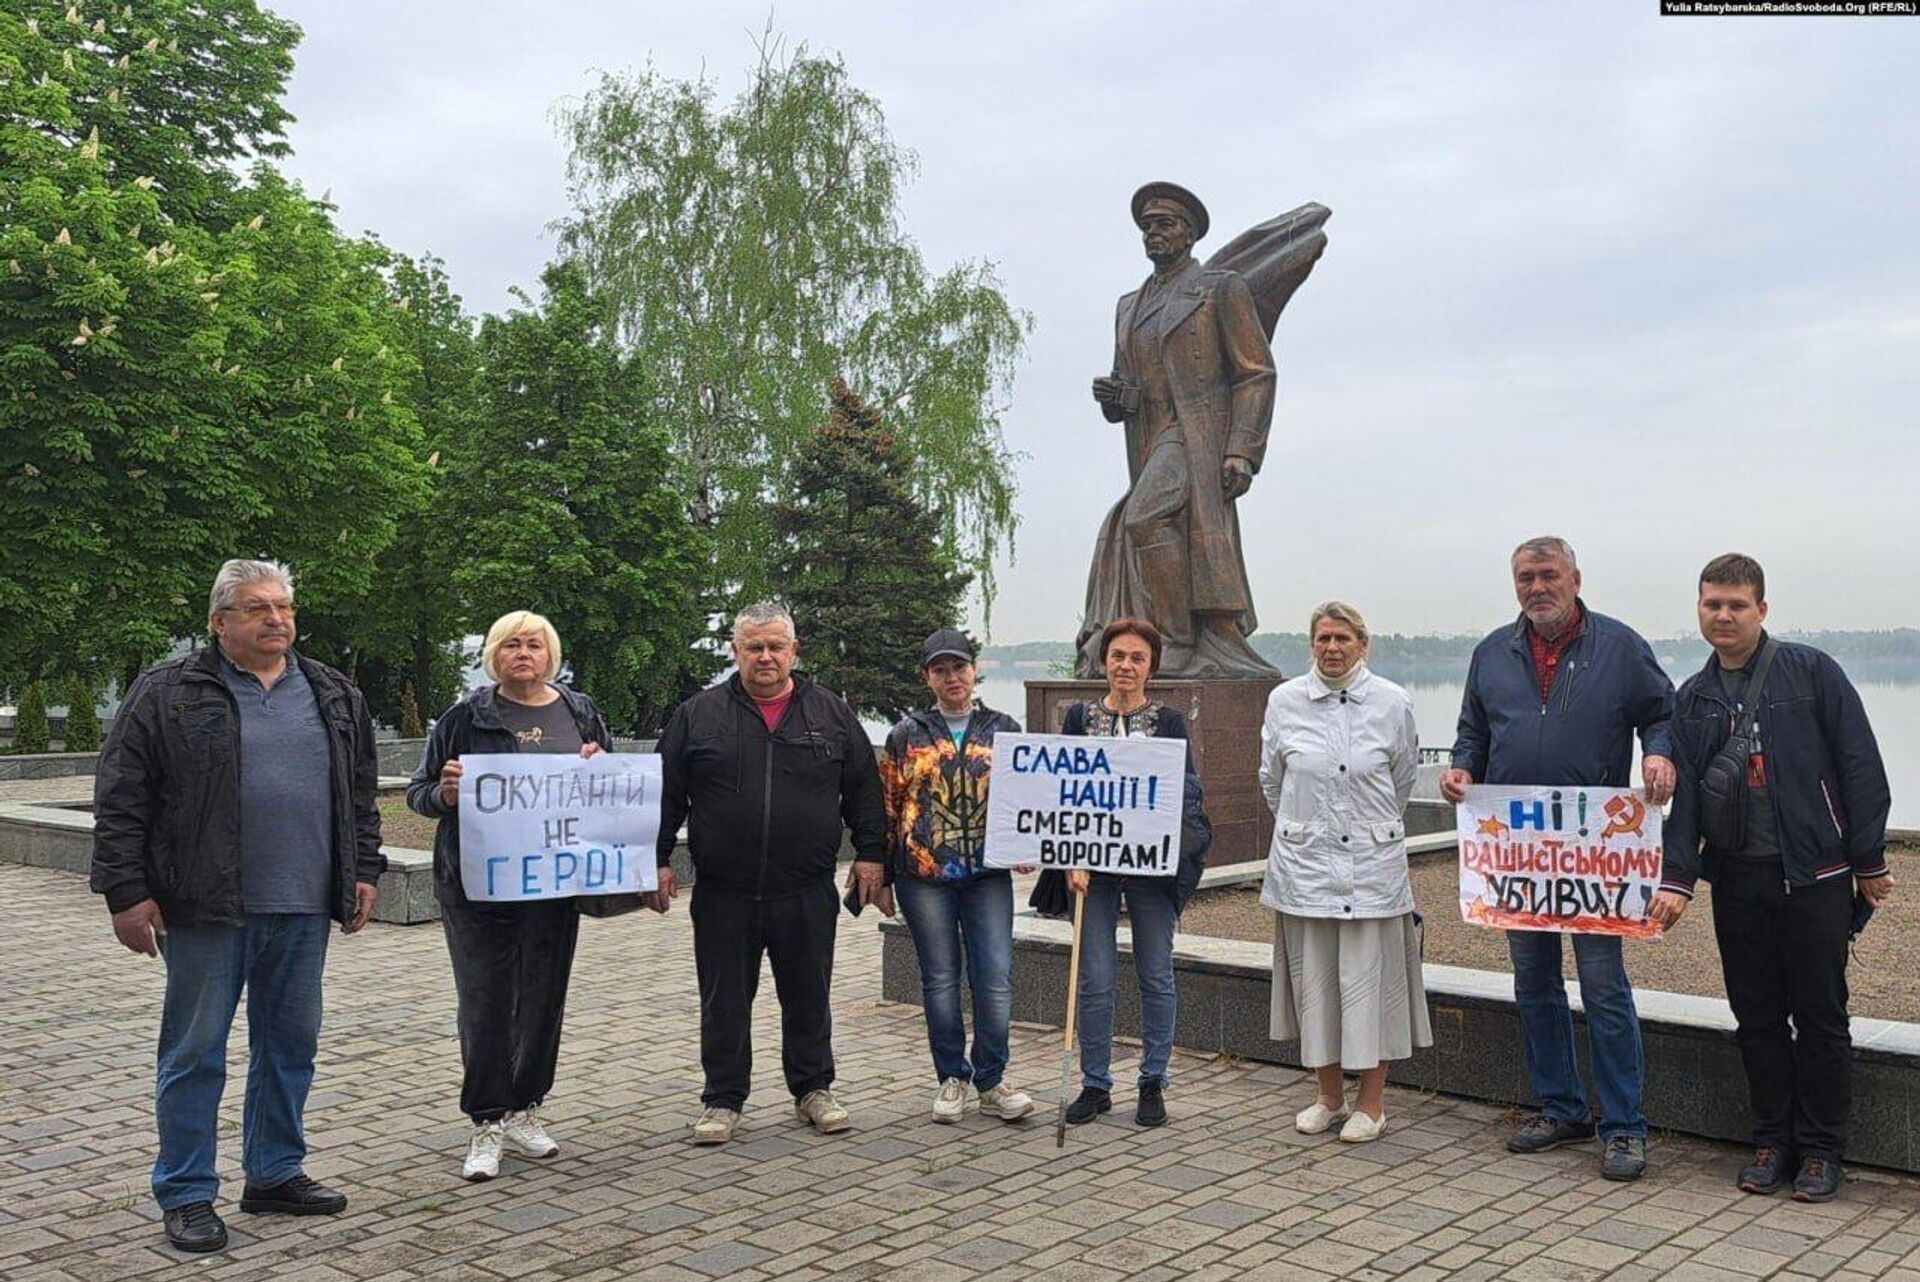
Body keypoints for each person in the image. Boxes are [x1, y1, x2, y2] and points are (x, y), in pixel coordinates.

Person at [90, 559, 383, 1254]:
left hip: (303, 905)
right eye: (257, 609)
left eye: (282, 608)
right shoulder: (168, 692)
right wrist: (125, 893)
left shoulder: (334, 692)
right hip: (205, 906)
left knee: (291, 1047)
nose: (275, 620)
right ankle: (187, 1192)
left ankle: (275, 1172)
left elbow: (361, 794)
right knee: (195, 1053)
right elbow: (121, 794)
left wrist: (363, 870)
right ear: (220, 621)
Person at [1652, 554, 1893, 1203]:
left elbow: (1859, 764)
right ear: (1699, 609)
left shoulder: (1811, 673)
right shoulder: (1693, 697)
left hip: (1813, 877)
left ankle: (1820, 1150)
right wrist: (1677, 878)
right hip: (1737, 880)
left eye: (1736, 604)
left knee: (1820, 1016)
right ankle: (1771, 1140)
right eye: (1712, 604)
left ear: (1762, 608)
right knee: (1755, 1016)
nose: (1723, 615)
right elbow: (1689, 801)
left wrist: (1867, 859)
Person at [1441, 535, 1675, 1182]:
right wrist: (1461, 770)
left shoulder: (1621, 648)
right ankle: (1561, 1106)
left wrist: (1659, 753)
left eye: (1548, 574)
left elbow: (1663, 713)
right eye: (1524, 577)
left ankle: (1624, 1125)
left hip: (1595, 855)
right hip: (1520, 858)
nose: (1536, 587)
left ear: (1575, 577)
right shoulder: (1492, 653)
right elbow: (1472, 733)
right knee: (1534, 982)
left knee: (1604, 988)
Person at [653, 602, 888, 1145]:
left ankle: (813, 1089)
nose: (765, 656)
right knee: (724, 999)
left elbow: (863, 791)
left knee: (808, 993)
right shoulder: (699, 715)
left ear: (793, 651)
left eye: (775, 647)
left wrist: (872, 854)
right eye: (753, 647)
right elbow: (665, 794)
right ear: (736, 652)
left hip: (804, 889)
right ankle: (723, 1098)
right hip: (723, 892)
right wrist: (657, 859)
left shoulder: (830, 713)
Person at [407, 611, 617, 1182]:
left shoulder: (580, 712)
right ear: (494, 656)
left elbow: (611, 793)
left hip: (554, 885)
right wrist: (445, 794)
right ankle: (485, 1119)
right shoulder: (463, 718)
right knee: (487, 1002)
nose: (523, 653)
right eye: (511, 645)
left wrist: (604, 771)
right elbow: (418, 795)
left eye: (534, 644)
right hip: (479, 890)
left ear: (551, 654)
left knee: (544, 1000)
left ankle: (527, 1108)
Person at [1077, 182, 1281, 678]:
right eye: (1147, 226)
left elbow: (1256, 373)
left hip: (1198, 437)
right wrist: (1116, 397)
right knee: (1124, 526)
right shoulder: (1129, 305)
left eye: (1164, 225)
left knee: (1143, 518)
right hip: (1149, 439)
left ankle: (1176, 640)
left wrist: (1242, 451)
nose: (1153, 234)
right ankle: (1161, 634)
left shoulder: (1218, 288)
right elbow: (1131, 388)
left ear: (1189, 234)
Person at [1260, 602, 1431, 1143]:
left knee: (1369, 986)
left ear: (1364, 644)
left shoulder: (1392, 702)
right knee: (1317, 985)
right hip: (1304, 869)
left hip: (1371, 870)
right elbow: (1272, 779)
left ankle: (1372, 1104)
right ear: (1311, 644)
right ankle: (1328, 1096)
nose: (1332, 648)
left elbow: (1402, 780)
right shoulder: (1283, 701)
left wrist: (1363, 827)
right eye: (1323, 638)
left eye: (1343, 638)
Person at [1060, 617, 1212, 1129]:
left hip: (1151, 869)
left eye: (1137, 658)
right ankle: (1095, 1083)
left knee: (1155, 973)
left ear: (1151, 667)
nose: (1126, 666)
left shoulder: (1167, 723)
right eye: (1118, 656)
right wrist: (1073, 858)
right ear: (1105, 662)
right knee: (1096, 977)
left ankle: (1153, 1080)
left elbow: (1182, 795)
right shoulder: (1079, 718)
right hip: (1094, 870)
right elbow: (1067, 794)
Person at [881, 628, 1036, 1125]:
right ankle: (952, 1076)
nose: (952, 678)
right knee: (941, 979)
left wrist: (1028, 844)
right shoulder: (907, 734)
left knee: (994, 976)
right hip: (923, 875)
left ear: (975, 670)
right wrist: (882, 874)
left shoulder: (1005, 726)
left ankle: (992, 1078)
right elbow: (887, 806)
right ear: (928, 677)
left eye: (959, 668)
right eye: (940, 670)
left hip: (988, 874)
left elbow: (1028, 794)